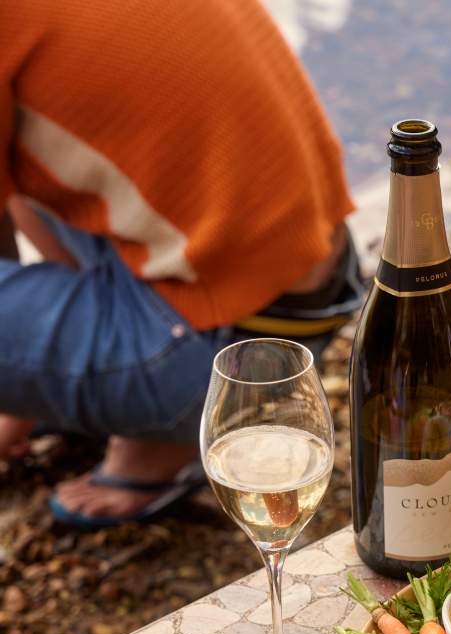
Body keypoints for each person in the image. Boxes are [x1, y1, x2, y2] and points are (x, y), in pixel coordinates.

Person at [0, 0, 359, 526]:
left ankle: (165, 439)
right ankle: (92, 368)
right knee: (46, 131)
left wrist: (15, 372)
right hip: (316, 275)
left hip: (226, 355)